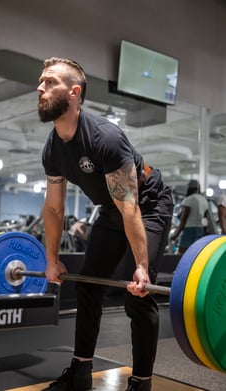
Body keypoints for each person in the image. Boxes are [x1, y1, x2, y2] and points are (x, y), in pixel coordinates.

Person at [37, 57, 173, 391]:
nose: (39, 87)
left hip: (148, 205)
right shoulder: (52, 149)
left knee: (138, 295)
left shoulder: (104, 137)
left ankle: (141, 382)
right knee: (87, 286)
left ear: (74, 92)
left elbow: (131, 209)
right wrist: (52, 259)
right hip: (114, 211)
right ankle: (81, 372)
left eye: (49, 82)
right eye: (40, 81)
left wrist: (141, 266)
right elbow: (54, 211)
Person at [170, 180, 209, 254]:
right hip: (200, 230)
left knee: (182, 253)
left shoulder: (188, 200)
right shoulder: (204, 200)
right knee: (196, 254)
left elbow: (183, 219)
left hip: (189, 230)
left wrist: (176, 234)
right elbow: (205, 218)